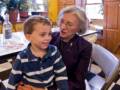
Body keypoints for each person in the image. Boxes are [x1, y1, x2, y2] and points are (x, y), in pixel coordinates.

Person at [7, 15, 68, 90]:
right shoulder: (22, 57)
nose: (48, 38)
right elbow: (13, 81)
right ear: (28, 37)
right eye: (42, 35)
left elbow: (61, 74)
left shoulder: (54, 51)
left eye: (49, 34)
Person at [50, 6, 92, 90]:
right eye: (62, 21)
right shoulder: (51, 37)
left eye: (69, 24)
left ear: (79, 28)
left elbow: (78, 81)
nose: (63, 27)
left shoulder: (85, 47)